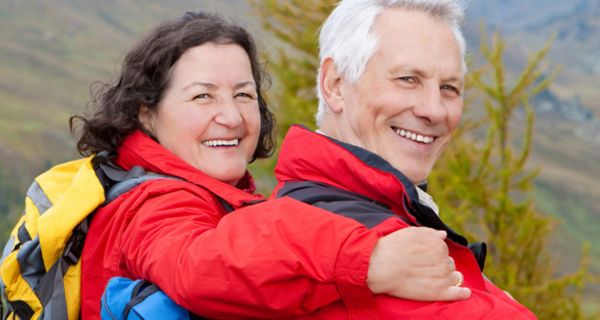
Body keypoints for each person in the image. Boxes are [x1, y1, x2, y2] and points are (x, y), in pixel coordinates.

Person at [76, 11, 468, 320]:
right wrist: (368, 260)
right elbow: (197, 269)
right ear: (146, 114)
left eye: (244, 95)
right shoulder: (152, 201)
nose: (231, 116)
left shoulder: (203, 194)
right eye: (202, 97)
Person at [270, 0, 537, 318]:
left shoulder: (370, 211)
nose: (434, 110)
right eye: (408, 79)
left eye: (449, 87)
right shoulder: (349, 243)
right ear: (336, 85)